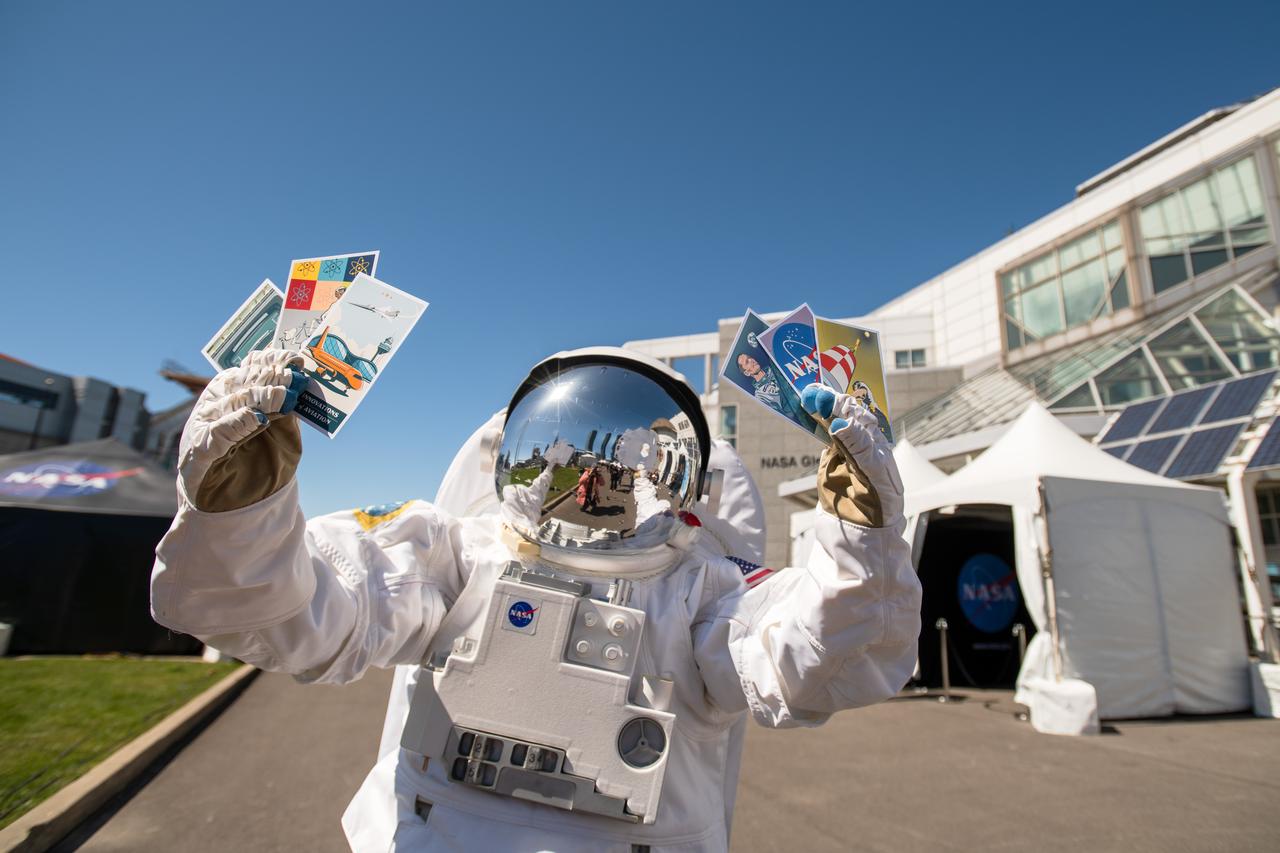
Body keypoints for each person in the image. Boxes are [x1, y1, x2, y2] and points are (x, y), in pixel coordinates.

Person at [151, 346, 920, 852]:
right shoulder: (459, 553)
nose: (595, 486)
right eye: (577, 458)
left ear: (680, 483)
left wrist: (862, 532)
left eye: (616, 468)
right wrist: (239, 507)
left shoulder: (697, 588)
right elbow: (301, 608)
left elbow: (811, 654)